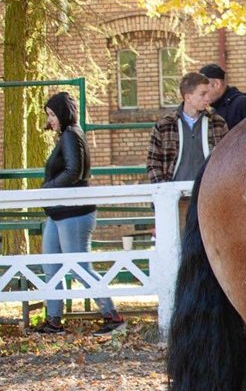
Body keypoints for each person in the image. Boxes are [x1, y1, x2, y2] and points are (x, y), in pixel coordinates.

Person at [32, 92, 127, 335]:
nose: (50, 120)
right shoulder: (68, 135)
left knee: (79, 267)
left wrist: (47, 189)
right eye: (48, 115)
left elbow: (74, 171)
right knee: (51, 266)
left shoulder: (71, 135)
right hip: (58, 213)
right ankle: (54, 320)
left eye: (52, 114)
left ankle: (113, 316)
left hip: (74, 213)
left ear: (63, 113)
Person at [146, 72, 228, 184]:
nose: (208, 98)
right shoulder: (164, 126)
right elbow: (153, 163)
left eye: (208, 93)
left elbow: (226, 159)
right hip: (173, 191)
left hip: (208, 191)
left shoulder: (218, 123)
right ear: (188, 97)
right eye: (203, 94)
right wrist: (164, 188)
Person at [198, 64, 246, 129]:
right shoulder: (211, 109)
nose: (202, 95)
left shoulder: (243, 104)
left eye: (204, 91)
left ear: (216, 84)